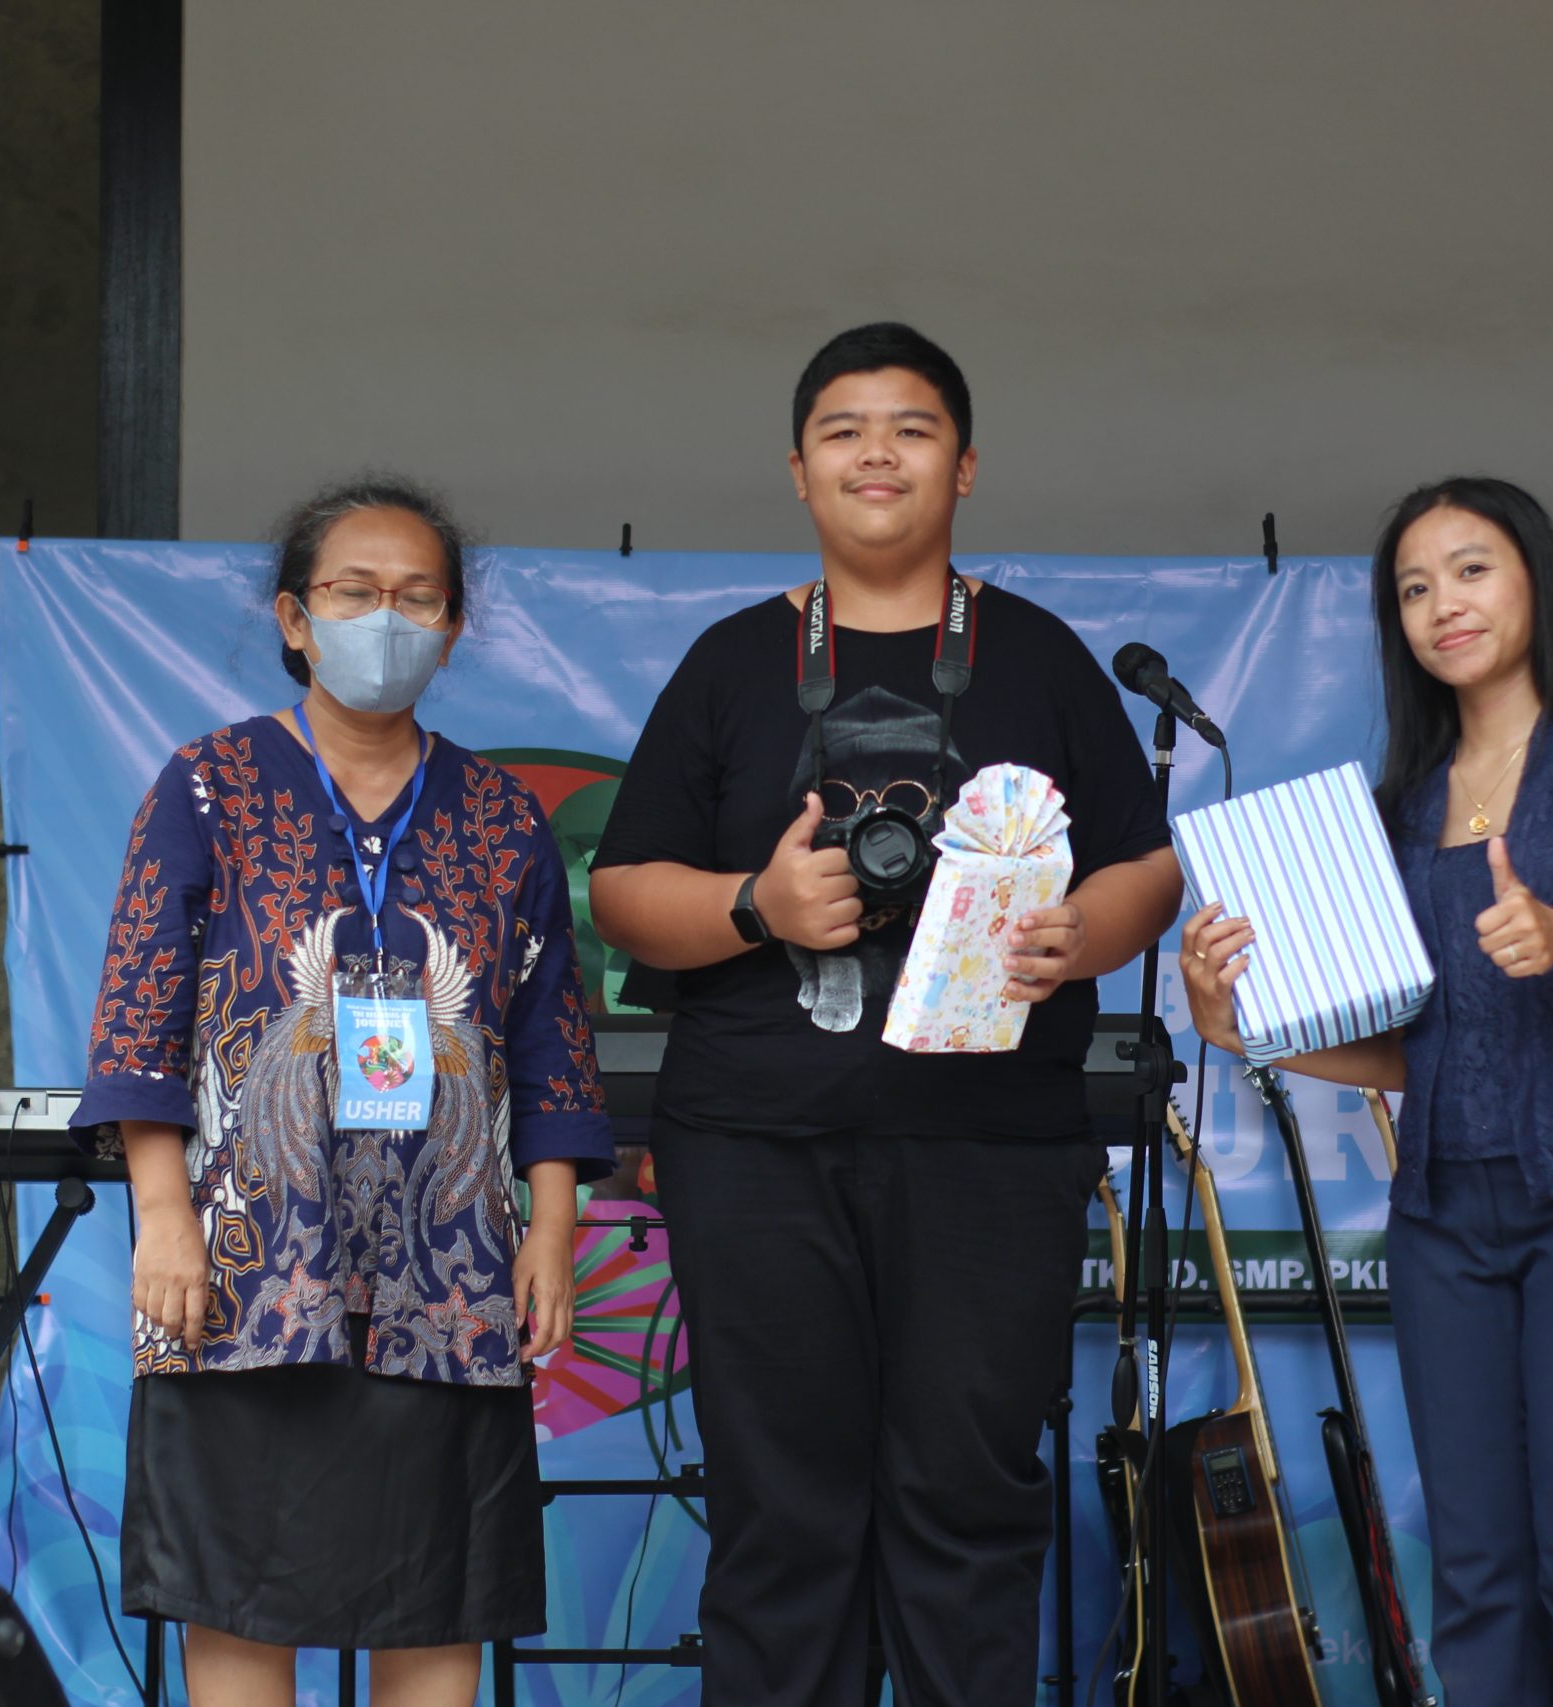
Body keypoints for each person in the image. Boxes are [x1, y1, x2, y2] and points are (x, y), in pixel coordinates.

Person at [589, 322, 1183, 1706]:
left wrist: (1083, 932)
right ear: (798, 469)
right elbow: (623, 890)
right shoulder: (733, 661)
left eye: (911, 428)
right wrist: (756, 904)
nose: (877, 452)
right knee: (779, 1508)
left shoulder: (1038, 655)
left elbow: (1146, 865)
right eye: (843, 429)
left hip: (991, 1147)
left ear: (964, 467)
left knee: (968, 1500)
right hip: (756, 1146)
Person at [69, 475, 613, 1707]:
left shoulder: (501, 817)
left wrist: (552, 1231)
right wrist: (163, 1217)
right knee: (236, 1594)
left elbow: (551, 1042)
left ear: (453, 628)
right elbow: (141, 1014)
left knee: (437, 1596)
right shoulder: (208, 784)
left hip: (451, 1272)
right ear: (295, 618)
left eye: (416, 598)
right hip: (245, 1267)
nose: (386, 619)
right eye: (354, 593)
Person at [1181, 476, 1553, 1706]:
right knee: (1473, 1575)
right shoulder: (1399, 806)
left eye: (1470, 570)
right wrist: (1240, 1027)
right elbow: (1408, 1052)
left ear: (1535, 581)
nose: (1442, 605)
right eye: (1413, 588)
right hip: (1441, 1220)